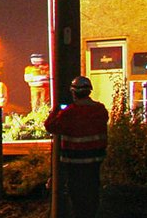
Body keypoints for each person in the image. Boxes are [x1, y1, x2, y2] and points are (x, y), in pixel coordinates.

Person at [46, 75, 108, 217]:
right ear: (89, 91)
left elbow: (51, 126)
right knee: (92, 192)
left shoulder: (68, 113)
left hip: (74, 162)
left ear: (73, 93)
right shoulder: (100, 110)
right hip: (95, 161)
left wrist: (54, 112)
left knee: (77, 196)